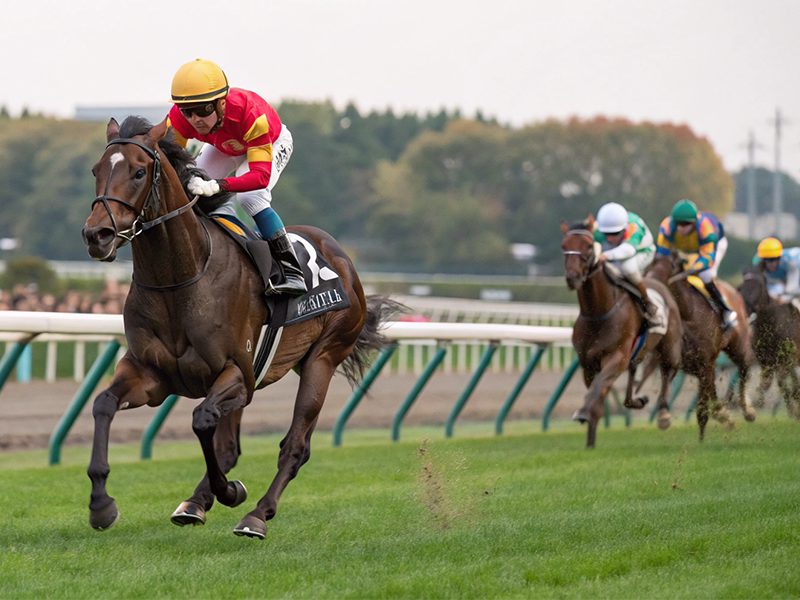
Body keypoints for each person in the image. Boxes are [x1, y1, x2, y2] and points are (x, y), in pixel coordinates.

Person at [166, 58, 306, 296]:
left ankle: (292, 271)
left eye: (203, 110)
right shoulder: (179, 118)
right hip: (226, 145)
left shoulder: (251, 114)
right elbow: (169, 164)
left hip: (270, 143)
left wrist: (220, 185)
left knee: (251, 199)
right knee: (188, 188)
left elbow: (259, 177)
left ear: (222, 104)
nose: (195, 120)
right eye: (187, 112)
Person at [656, 199, 737, 329]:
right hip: (685, 250)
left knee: (706, 275)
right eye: (679, 224)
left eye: (686, 224)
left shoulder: (705, 228)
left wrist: (694, 268)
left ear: (694, 223)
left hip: (713, 246)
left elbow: (707, 258)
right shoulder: (667, 227)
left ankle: (725, 310)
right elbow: (662, 253)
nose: (681, 228)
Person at [593, 202, 659, 326]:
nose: (610, 238)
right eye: (606, 234)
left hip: (641, 251)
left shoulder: (633, 226)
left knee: (627, 268)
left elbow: (628, 250)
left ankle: (647, 301)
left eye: (615, 234)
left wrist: (605, 255)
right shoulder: (601, 226)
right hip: (618, 251)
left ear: (624, 228)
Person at [752, 237, 800, 302]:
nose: (769, 264)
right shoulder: (757, 262)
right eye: (766, 259)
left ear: (779, 258)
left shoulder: (791, 262)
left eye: (773, 259)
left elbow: (793, 289)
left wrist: (782, 298)